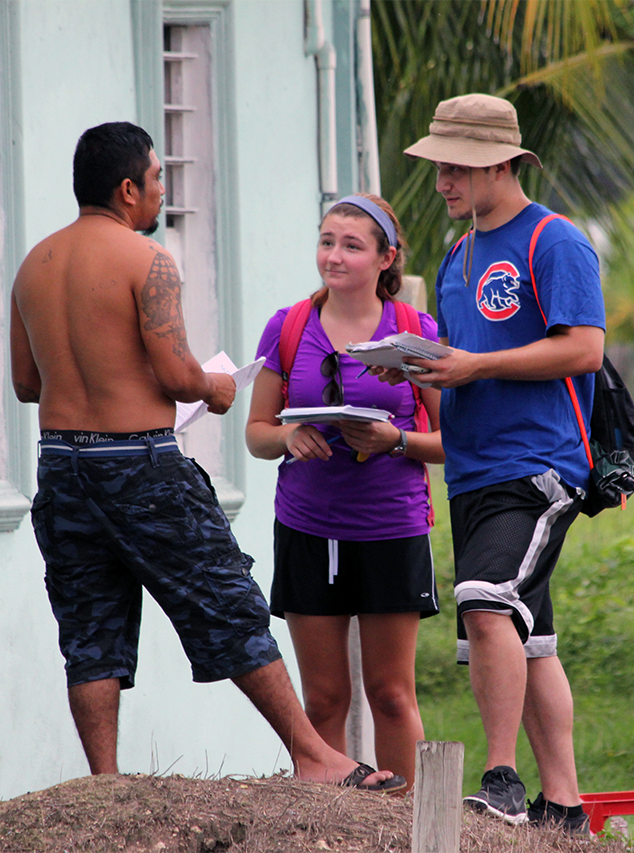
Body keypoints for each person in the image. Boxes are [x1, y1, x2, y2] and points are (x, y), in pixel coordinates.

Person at [9, 121, 404, 792]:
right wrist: (215, 387)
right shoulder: (147, 259)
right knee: (227, 599)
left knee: (90, 622)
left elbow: (26, 384)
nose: (163, 189)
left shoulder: (34, 265)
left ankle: (103, 779)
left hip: (60, 465)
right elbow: (175, 373)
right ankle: (313, 755)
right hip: (139, 463)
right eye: (158, 177)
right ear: (129, 187)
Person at [395, 94, 607, 835]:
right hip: (474, 470)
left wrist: (476, 366)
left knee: (485, 601)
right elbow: (467, 362)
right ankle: (566, 808)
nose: (443, 182)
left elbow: (584, 348)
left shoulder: (555, 241)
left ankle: (502, 779)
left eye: (456, 167)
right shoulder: (457, 256)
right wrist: (422, 372)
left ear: (500, 164)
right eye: (440, 168)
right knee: (529, 637)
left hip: (540, 466)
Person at [245, 193, 445, 790]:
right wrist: (291, 437)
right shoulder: (289, 327)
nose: (333, 256)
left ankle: (400, 823)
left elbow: (458, 443)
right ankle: (326, 829)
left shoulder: (415, 333)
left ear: (387, 259)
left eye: (352, 246)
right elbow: (257, 434)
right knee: (325, 697)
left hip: (393, 527)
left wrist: (395, 440)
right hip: (308, 526)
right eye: (327, 241)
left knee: (389, 693)